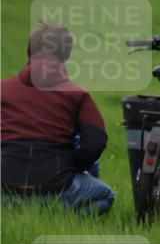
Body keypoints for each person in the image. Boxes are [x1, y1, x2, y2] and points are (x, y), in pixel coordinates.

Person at [1, 24, 115, 215]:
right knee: (106, 196)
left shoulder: (4, 89)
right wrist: (72, 168)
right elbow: (95, 141)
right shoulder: (77, 94)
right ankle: (62, 218)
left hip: (4, 189)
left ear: (30, 51)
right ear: (66, 55)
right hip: (56, 187)